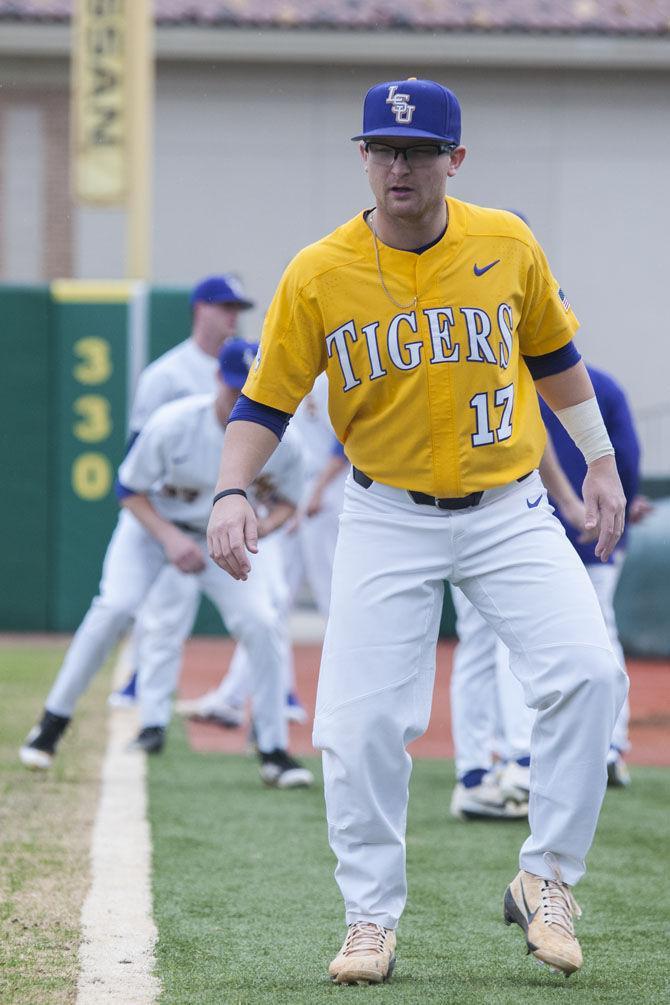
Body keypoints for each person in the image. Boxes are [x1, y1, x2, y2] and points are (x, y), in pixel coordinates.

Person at [206, 78, 628, 982]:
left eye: (420, 151)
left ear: (455, 161)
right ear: (363, 157)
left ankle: (546, 878)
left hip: (508, 505)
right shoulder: (319, 270)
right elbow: (266, 399)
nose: (400, 166)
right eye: (384, 149)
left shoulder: (505, 241)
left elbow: (554, 355)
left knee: (589, 672)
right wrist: (230, 489)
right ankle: (369, 916)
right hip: (386, 511)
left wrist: (596, 458)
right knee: (358, 724)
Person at [20, 340, 313, 789]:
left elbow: (289, 503)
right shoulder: (175, 423)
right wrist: (172, 539)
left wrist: (257, 530)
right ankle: (51, 723)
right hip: (154, 530)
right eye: (235, 387)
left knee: (262, 621)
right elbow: (128, 489)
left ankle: (273, 750)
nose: (240, 398)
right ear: (219, 379)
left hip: (224, 540)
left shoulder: (284, 441)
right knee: (114, 609)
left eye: (250, 390)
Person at [449, 364, 649, 816]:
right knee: (598, 635)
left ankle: (484, 767)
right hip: (570, 533)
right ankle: (605, 748)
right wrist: (609, 511)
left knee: (486, 648)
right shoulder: (601, 383)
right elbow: (627, 460)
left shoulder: (489, 374)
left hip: (486, 524)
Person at [108, 274, 254, 715]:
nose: (232, 316)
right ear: (199, 309)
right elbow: (136, 461)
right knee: (158, 609)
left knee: (258, 610)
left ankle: (263, 694)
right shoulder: (166, 375)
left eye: (237, 308)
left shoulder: (244, 364)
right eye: (223, 305)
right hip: (169, 510)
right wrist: (162, 527)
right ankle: (143, 689)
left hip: (218, 507)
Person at [176, 372, 348, 727]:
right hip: (294, 490)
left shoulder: (332, 368)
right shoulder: (289, 365)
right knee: (273, 601)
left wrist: (314, 493)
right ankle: (239, 696)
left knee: (336, 601)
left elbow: (347, 438)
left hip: (325, 493)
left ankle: (348, 701)